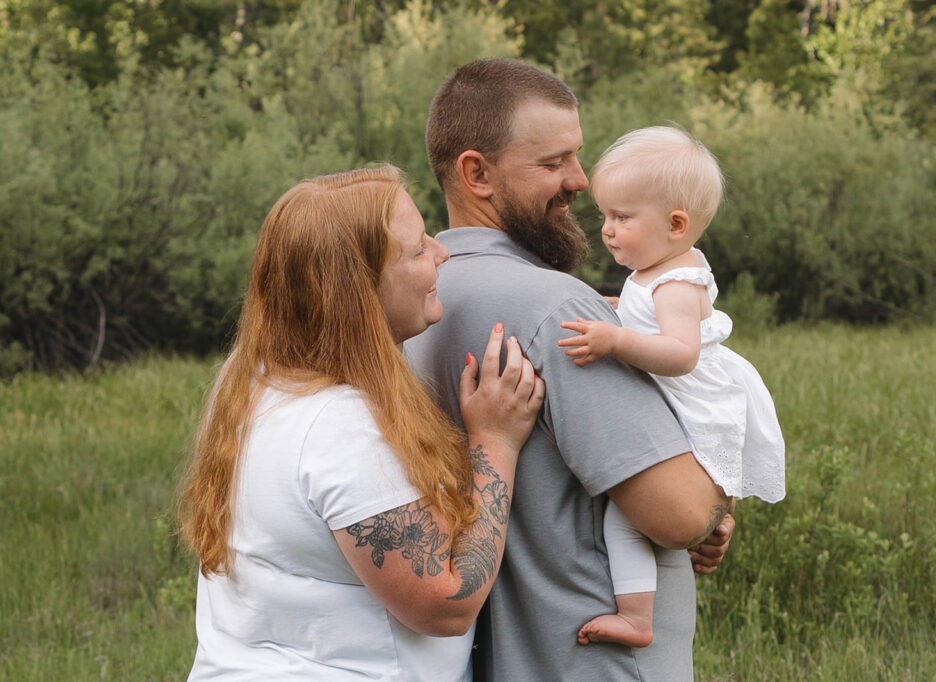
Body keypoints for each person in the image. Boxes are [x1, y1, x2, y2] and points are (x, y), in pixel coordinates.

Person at [403, 58, 734, 682]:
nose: (580, 182)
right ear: (477, 173)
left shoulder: (415, 308)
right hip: (589, 661)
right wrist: (721, 500)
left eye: (576, 157)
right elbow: (680, 513)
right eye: (553, 163)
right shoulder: (555, 309)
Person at [177, 165, 545, 681]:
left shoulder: (249, 379)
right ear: (359, 290)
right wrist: (496, 441)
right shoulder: (342, 428)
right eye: (418, 250)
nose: (441, 252)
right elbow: (447, 603)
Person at [558, 126, 786, 648]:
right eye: (605, 216)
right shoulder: (655, 270)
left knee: (628, 519)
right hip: (687, 399)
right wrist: (614, 312)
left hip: (696, 399)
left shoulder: (677, 282)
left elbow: (680, 354)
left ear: (676, 224)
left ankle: (638, 618)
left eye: (622, 217)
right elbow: (645, 316)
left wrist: (615, 340)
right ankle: (712, 524)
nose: (608, 230)